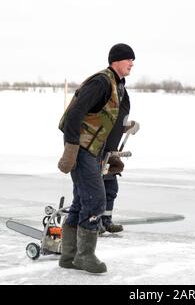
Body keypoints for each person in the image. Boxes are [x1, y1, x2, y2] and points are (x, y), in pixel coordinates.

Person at [57, 43, 136, 273]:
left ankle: (68, 257)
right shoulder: (101, 82)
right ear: (116, 61)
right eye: (128, 59)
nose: (132, 64)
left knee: (82, 201)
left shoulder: (118, 86)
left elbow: (108, 123)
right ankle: (85, 256)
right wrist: (71, 148)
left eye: (133, 60)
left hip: (96, 150)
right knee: (96, 200)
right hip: (82, 149)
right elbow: (73, 114)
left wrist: (111, 155)